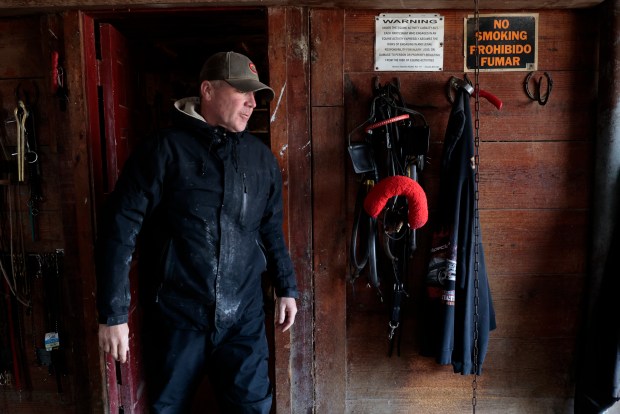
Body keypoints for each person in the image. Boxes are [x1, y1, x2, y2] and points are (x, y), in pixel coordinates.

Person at [95, 51, 298, 414]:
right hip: (178, 316)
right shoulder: (164, 150)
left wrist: (287, 288)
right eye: (243, 92)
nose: (253, 102)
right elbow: (121, 227)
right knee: (168, 407)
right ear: (207, 90)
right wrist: (113, 314)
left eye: (256, 95)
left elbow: (270, 227)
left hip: (243, 319)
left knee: (253, 407)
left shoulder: (260, 158)